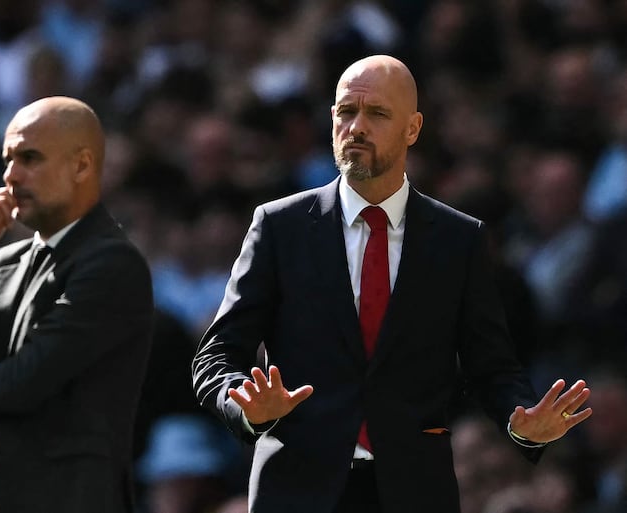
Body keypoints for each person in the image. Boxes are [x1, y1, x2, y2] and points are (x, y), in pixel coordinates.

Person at [191, 55, 593, 513]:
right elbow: (217, 354)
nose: (356, 127)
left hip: (415, 492)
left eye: (377, 113)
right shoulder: (278, 226)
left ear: (413, 128)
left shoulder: (459, 239)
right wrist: (244, 406)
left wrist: (522, 423)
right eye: (346, 111)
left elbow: (492, 367)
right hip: (297, 492)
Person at [0, 96, 154, 513]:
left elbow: (23, 383)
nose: (11, 175)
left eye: (30, 158)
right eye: (7, 159)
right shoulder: (0, 263)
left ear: (81, 166)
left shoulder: (113, 263)